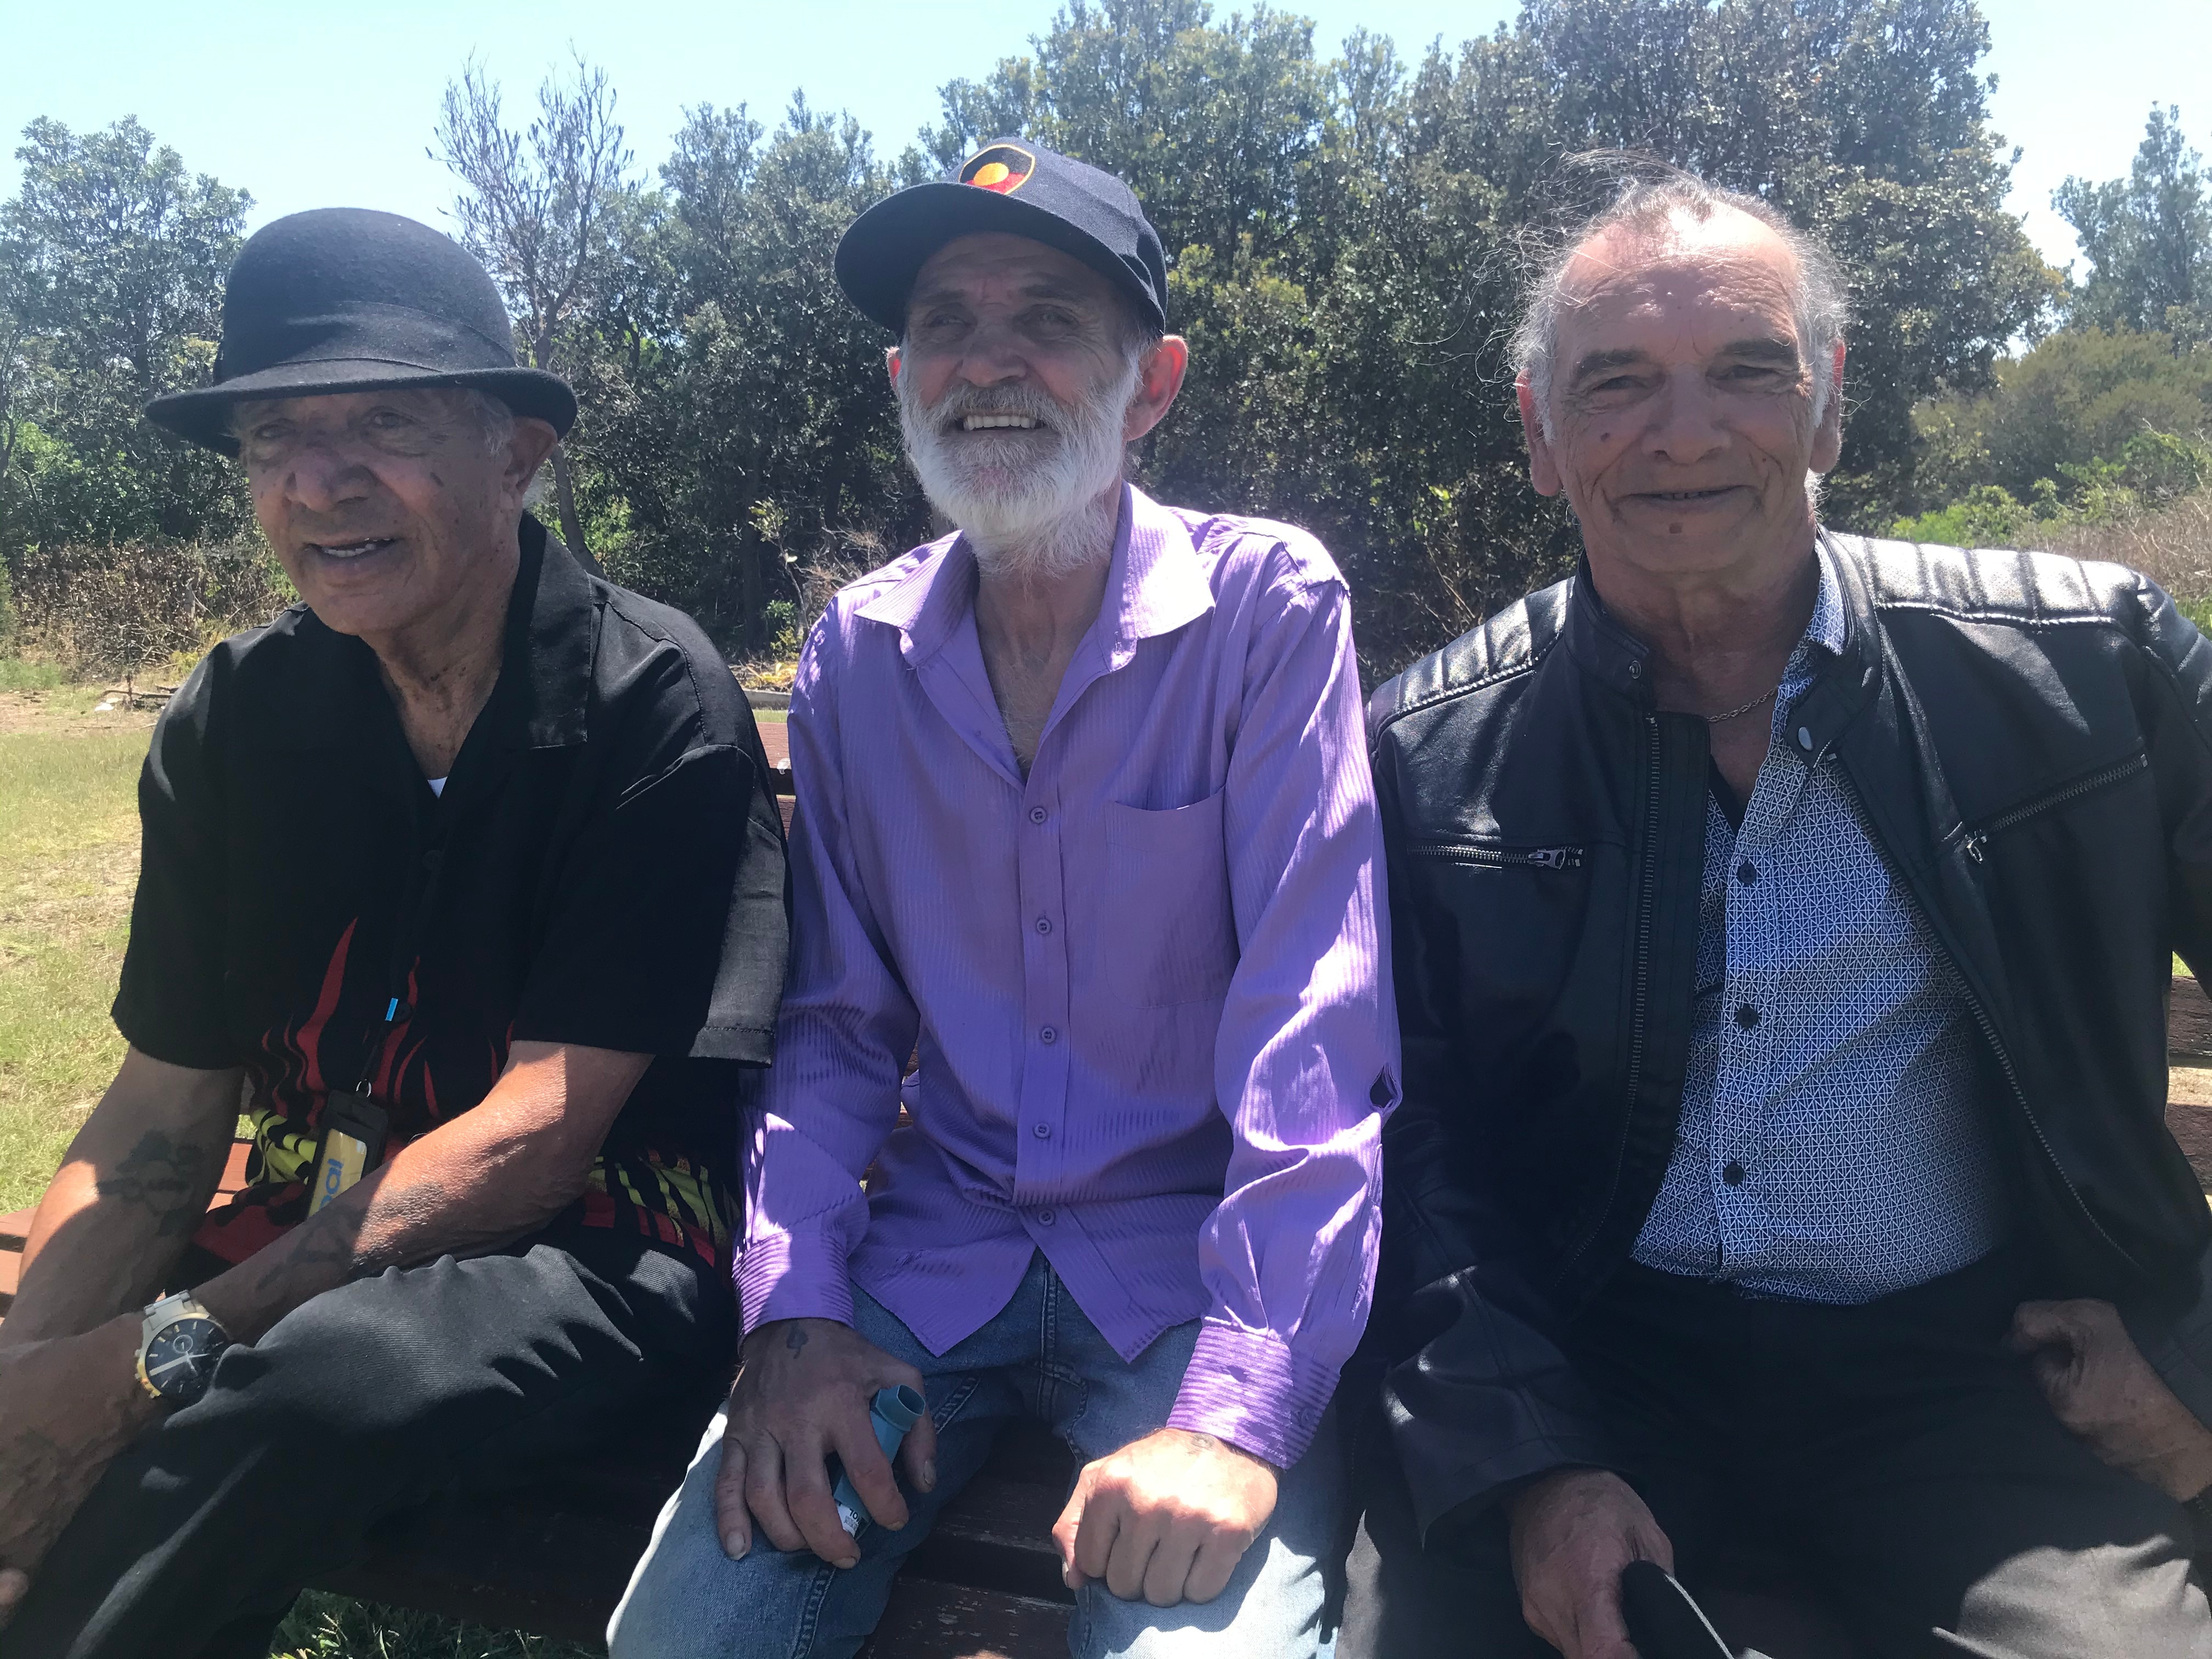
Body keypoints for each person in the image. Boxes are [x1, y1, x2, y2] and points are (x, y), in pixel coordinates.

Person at [1345, 162, 2212, 1659]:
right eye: (1617, 384)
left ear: (1827, 402)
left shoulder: (2094, 673)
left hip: (1972, 1382)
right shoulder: (1428, 750)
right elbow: (1407, 1139)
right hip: (1597, 1367)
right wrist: (1530, 1460)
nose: (1685, 435)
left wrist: (2199, 1361)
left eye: (1747, 371)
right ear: (1539, 433)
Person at [607, 139, 1398, 1659]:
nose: (988, 362)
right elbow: (837, 1024)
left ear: (1150, 382)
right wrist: (795, 1313)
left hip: (1193, 1283)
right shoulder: (858, 652)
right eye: (948, 324)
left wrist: (1236, 1419)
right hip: (928, 1266)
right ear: (905, 376)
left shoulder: (1264, 613)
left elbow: (1318, 1030)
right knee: (689, 1642)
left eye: (1045, 315)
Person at [0, 207, 789, 1658]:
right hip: (304, 1226)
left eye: (383, 423)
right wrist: (29, 1378)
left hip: (597, 1245)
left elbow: (539, 1139)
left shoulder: (652, 705)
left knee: (311, 1389)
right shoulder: (238, 717)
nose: (318, 481)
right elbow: (160, 1116)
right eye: (271, 440)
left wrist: (142, 1367)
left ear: (517, 450)